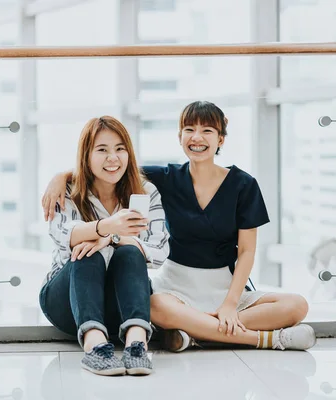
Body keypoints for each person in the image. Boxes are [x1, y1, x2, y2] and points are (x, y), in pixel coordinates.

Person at [41, 101, 316, 353]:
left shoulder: (243, 185)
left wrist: (230, 304)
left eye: (207, 130)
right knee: (155, 306)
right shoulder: (166, 178)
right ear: (180, 137)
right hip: (175, 288)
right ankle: (266, 339)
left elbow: (246, 252)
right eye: (189, 129)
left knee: (297, 306)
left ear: (221, 139)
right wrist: (60, 177)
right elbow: (108, 169)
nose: (197, 137)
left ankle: (196, 332)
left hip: (225, 286)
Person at [40, 116, 169, 376]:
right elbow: (64, 235)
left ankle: (137, 344)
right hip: (68, 301)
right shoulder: (67, 191)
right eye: (102, 150)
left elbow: (159, 251)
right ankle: (95, 346)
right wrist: (106, 227)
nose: (113, 158)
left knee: (130, 251)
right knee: (87, 250)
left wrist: (113, 238)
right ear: (86, 156)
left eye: (120, 149)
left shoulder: (146, 192)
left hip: (121, 305)